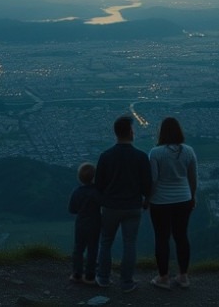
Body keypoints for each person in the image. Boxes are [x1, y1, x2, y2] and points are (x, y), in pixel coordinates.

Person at [94, 114, 152, 293]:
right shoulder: (141, 157)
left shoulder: (106, 156)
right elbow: (147, 184)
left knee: (105, 242)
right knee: (130, 243)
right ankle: (127, 282)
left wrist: (103, 202)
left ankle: (103, 278)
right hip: (133, 206)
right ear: (130, 133)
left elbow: (99, 185)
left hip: (111, 206)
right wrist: (146, 200)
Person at [147, 117, 198, 290]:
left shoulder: (155, 152)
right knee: (181, 236)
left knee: (162, 238)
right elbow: (192, 177)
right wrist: (192, 196)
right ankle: (183, 276)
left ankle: (163, 277)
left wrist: (148, 198)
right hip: (183, 199)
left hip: (160, 201)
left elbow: (153, 180)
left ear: (161, 132)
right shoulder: (189, 151)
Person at [68, 162, 100, 285]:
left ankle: (77, 274)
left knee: (78, 249)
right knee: (93, 249)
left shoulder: (77, 192)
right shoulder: (97, 191)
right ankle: (90, 275)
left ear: (79, 177)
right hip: (96, 223)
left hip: (81, 223)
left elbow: (72, 209)